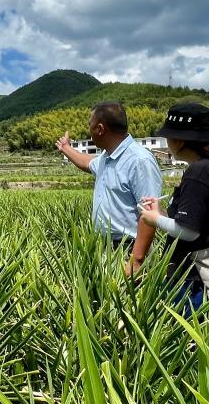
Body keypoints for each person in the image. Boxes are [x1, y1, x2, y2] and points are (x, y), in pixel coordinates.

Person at [138, 102, 209, 321]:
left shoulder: (198, 173)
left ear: (180, 140)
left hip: (193, 280)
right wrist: (162, 213)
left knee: (192, 342)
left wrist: (153, 219)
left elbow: (189, 232)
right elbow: (199, 222)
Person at [55, 102, 164, 275]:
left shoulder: (139, 160)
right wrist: (66, 148)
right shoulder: (107, 157)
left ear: (99, 128)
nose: (89, 133)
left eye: (90, 127)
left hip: (129, 249)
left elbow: (150, 213)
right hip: (105, 248)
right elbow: (87, 163)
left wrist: (136, 260)